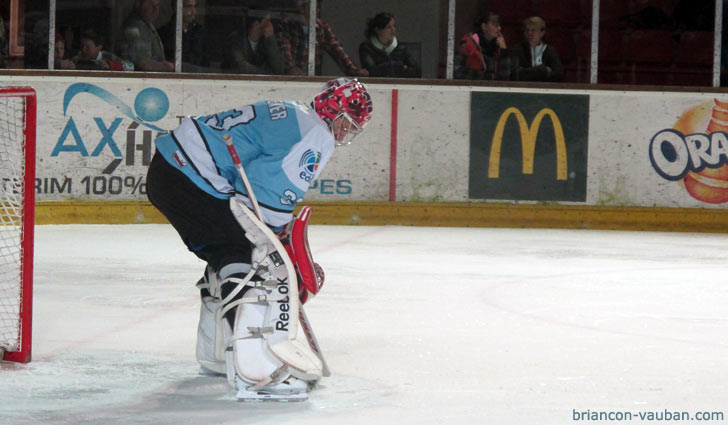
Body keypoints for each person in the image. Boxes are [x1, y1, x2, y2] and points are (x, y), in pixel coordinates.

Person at [145, 78, 373, 400]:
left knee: (227, 251)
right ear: (334, 113)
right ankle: (256, 371)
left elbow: (251, 183)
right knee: (251, 261)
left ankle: (214, 351)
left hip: (170, 169)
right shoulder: (317, 136)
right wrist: (282, 250)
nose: (345, 134)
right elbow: (267, 201)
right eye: (347, 124)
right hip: (190, 176)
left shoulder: (297, 113)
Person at [276, 0, 368, 77]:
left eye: (318, 6)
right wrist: (291, 67)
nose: (317, 9)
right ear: (302, 9)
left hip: (312, 79)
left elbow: (336, 49)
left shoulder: (321, 27)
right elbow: (284, 49)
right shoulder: (288, 25)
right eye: (314, 6)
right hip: (288, 79)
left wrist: (353, 70)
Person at [358, 12, 421, 78]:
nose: (393, 30)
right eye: (388, 27)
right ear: (378, 30)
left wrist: (384, 68)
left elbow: (416, 71)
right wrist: (399, 66)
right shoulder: (366, 48)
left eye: (394, 26)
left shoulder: (401, 48)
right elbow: (372, 71)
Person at [118, 0, 174, 72]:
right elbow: (143, 65)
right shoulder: (135, 29)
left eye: (158, 5)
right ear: (137, 4)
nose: (155, 10)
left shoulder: (146, 25)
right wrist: (171, 67)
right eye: (151, 5)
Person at [454, 13, 510, 80]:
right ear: (484, 26)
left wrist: (504, 51)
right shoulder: (468, 44)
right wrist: (488, 77)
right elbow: (457, 72)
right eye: (495, 24)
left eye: (499, 25)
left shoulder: (499, 47)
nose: (499, 28)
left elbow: (505, 76)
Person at [157, 0, 209, 72]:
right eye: (188, 7)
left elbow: (206, 63)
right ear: (176, 7)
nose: (193, 12)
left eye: (194, 7)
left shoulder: (200, 32)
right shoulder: (163, 33)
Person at [509, 17, 563, 82]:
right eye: (527, 30)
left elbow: (558, 74)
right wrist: (543, 70)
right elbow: (515, 74)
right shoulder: (518, 50)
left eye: (533, 30)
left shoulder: (550, 51)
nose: (529, 33)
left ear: (542, 33)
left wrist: (527, 72)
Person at [70, 29, 134, 71]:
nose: (83, 50)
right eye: (82, 46)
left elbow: (131, 66)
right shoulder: (77, 59)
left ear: (99, 48)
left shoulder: (108, 57)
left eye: (88, 47)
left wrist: (110, 65)